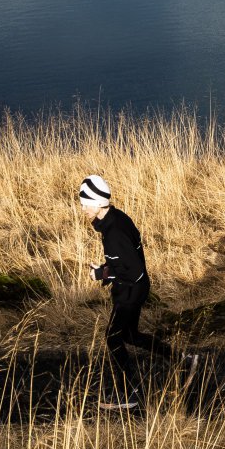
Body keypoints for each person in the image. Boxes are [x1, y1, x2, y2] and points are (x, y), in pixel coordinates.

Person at [79, 174, 174, 410]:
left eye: (86, 203)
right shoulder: (116, 219)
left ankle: (129, 394)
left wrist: (102, 274)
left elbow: (134, 271)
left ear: (98, 202)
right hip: (134, 289)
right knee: (130, 335)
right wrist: (106, 269)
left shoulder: (114, 233)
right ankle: (181, 360)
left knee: (113, 338)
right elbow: (125, 262)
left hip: (130, 292)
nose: (83, 208)